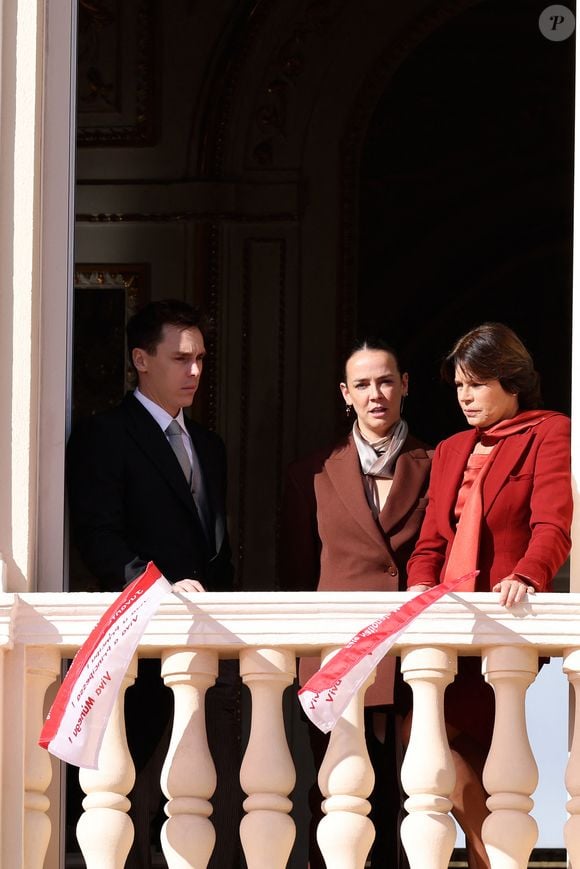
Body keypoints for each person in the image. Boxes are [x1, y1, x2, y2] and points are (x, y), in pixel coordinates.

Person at [66, 298, 242, 869]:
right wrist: (158, 588)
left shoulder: (208, 445)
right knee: (116, 776)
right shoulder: (106, 436)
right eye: (179, 358)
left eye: (199, 359)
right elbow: (98, 539)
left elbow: (215, 546)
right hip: (133, 640)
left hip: (200, 643)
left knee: (185, 779)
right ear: (141, 359)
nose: (194, 371)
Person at [404, 321, 573, 869]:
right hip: (445, 623)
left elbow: (553, 524)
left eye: (476, 384)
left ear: (511, 380)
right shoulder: (452, 448)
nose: (465, 397)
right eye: (458, 387)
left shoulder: (550, 431)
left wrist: (527, 573)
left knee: (485, 751)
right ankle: (494, 860)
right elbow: (430, 540)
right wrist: (418, 592)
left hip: (502, 621)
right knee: (430, 743)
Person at [279, 337, 433, 869]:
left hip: (412, 656)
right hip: (336, 659)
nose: (376, 394)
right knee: (335, 796)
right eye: (363, 384)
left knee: (406, 798)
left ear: (405, 385)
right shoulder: (313, 472)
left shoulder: (437, 463)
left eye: (386, 380)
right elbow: (299, 575)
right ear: (346, 393)